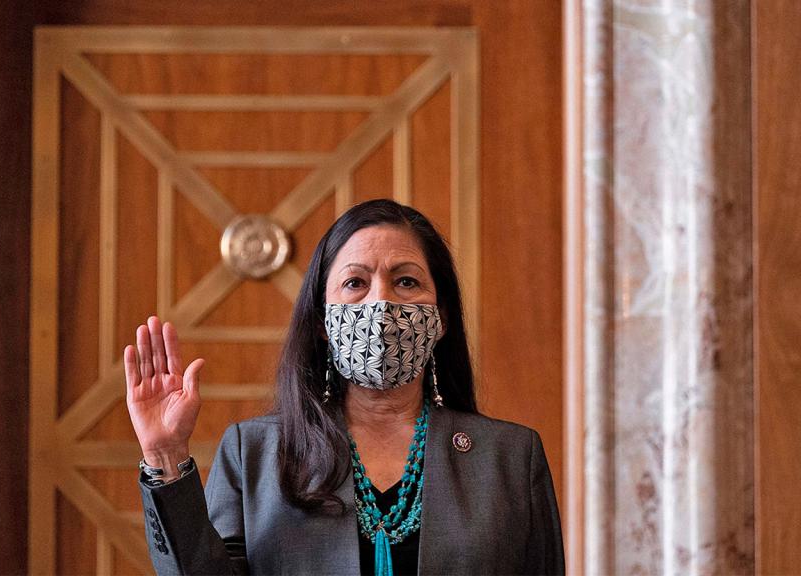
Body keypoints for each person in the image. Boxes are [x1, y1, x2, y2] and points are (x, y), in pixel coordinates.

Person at [125, 200, 564, 575]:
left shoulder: (509, 457)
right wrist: (165, 457)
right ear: (321, 321)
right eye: (355, 283)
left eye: (406, 281)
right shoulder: (255, 452)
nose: (381, 301)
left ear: (442, 317)